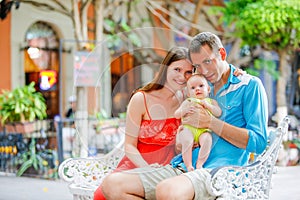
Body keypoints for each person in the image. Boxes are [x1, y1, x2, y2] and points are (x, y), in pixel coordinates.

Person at [101, 31, 268, 200]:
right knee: (112, 185)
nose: (205, 70)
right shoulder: (200, 84)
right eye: (198, 66)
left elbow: (259, 143)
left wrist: (210, 123)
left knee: (167, 191)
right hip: (182, 165)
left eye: (208, 61)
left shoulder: (249, 86)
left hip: (217, 172)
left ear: (222, 54)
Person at [93, 46, 194, 200]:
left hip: (169, 169)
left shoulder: (187, 101)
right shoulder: (141, 99)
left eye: (188, 72)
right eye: (177, 69)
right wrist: (146, 169)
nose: (182, 76)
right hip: (138, 164)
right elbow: (129, 145)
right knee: (106, 192)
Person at [174, 74, 222, 172]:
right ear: (188, 93)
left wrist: (208, 106)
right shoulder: (188, 101)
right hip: (188, 129)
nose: (197, 89)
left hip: (203, 130)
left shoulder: (211, 102)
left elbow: (218, 112)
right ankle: (189, 165)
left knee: (207, 140)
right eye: (193, 88)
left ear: (208, 89)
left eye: (201, 86)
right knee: (187, 141)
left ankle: (200, 163)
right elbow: (176, 114)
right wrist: (185, 110)